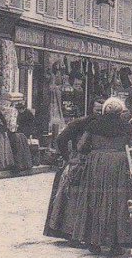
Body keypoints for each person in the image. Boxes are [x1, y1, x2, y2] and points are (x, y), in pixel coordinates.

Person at [71, 96, 132, 255]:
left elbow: (81, 146)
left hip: (97, 166)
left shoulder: (93, 125)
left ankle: (93, 242)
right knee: (117, 203)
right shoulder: (127, 127)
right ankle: (115, 243)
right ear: (121, 112)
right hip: (119, 166)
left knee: (95, 201)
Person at [44, 98, 104, 240]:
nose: (100, 113)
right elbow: (61, 139)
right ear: (91, 110)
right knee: (71, 200)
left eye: (102, 111)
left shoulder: (104, 125)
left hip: (93, 164)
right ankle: (69, 232)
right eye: (97, 110)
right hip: (78, 164)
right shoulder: (80, 123)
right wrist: (68, 158)